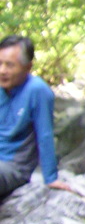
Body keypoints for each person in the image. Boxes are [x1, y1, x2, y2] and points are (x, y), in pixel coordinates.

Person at [0, 34, 72, 198]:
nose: (2, 70)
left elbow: (45, 135)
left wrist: (50, 178)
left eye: (9, 65)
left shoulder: (37, 91)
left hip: (13, 166)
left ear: (28, 67)